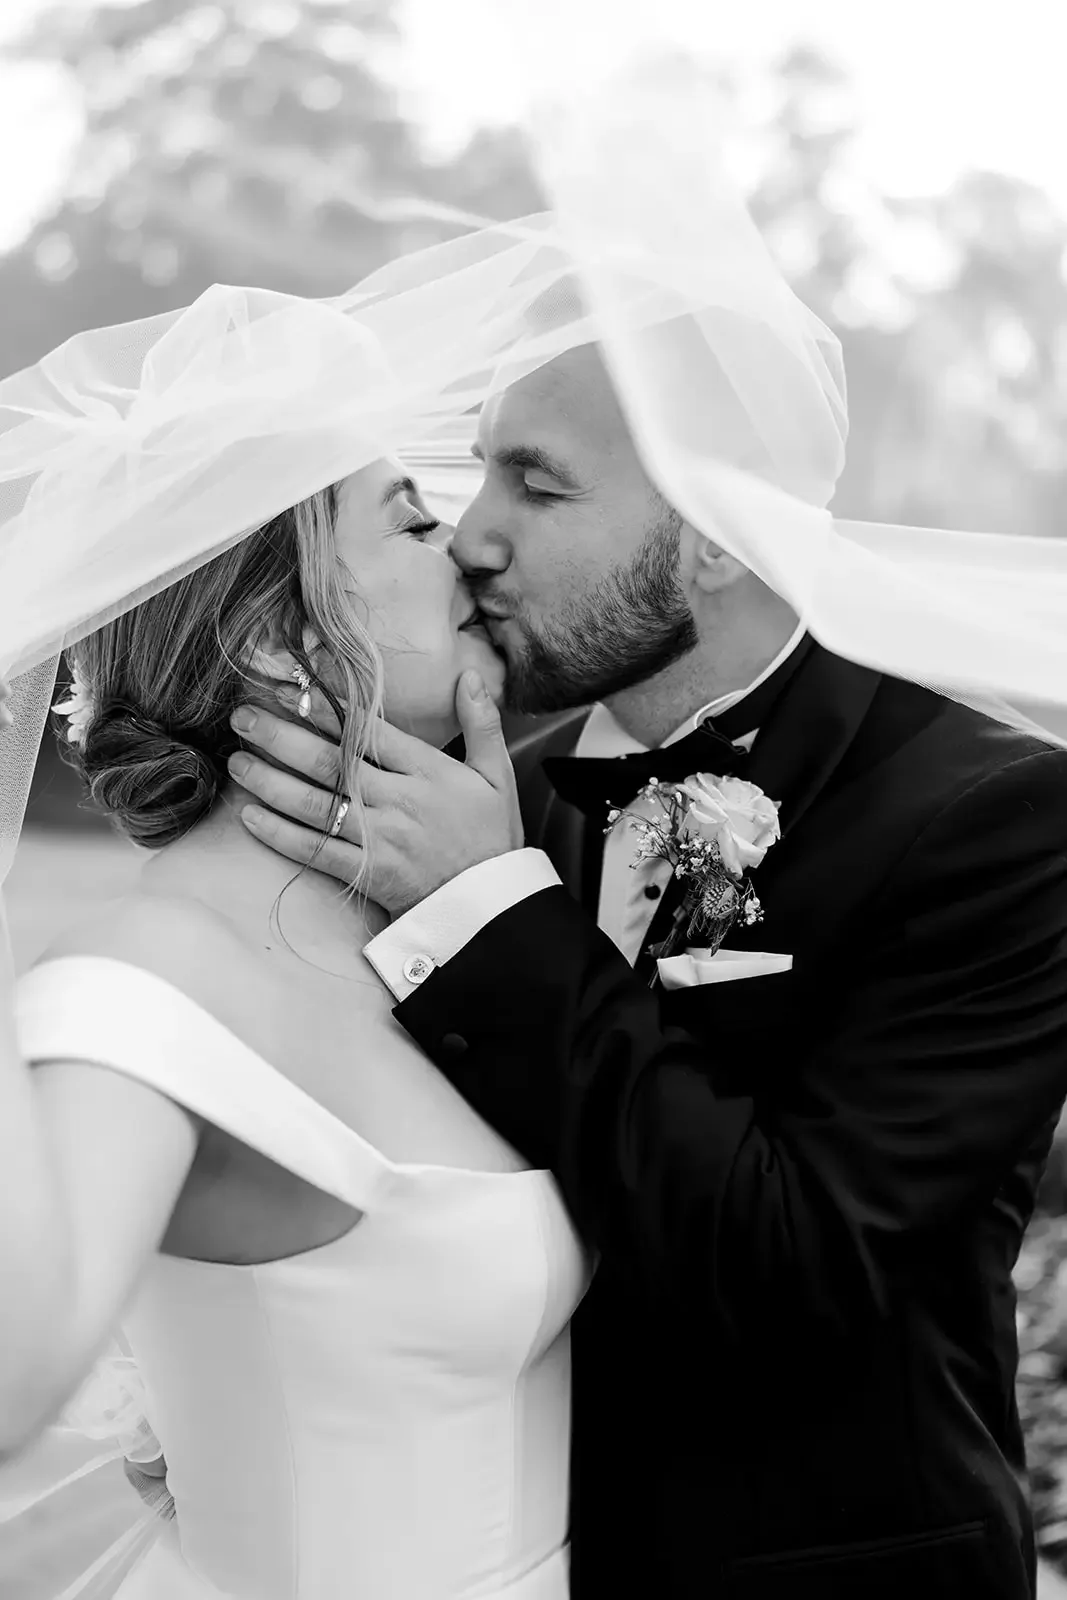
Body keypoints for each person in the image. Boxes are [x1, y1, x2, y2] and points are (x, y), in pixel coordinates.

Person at [232, 340, 1067, 1600]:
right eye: (478, 475)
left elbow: (798, 1256)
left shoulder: (997, 819)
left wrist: (494, 912)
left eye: (538, 485)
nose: (472, 537)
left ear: (717, 534)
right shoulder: (490, 787)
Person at [0, 462, 585, 1599]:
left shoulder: (460, 921)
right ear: (277, 643)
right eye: (412, 520)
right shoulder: (133, 988)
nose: (464, 544)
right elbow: (16, 1372)